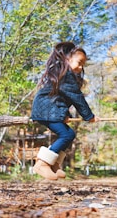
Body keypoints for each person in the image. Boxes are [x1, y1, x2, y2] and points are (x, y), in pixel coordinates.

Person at [31, 41, 99, 180]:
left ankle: (54, 163)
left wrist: (64, 115)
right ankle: (42, 163)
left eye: (83, 65)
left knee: (70, 134)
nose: (81, 67)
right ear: (68, 59)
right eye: (79, 62)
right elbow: (76, 97)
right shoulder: (66, 74)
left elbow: (61, 98)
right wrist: (89, 116)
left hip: (50, 109)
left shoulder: (63, 74)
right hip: (46, 110)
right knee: (66, 135)